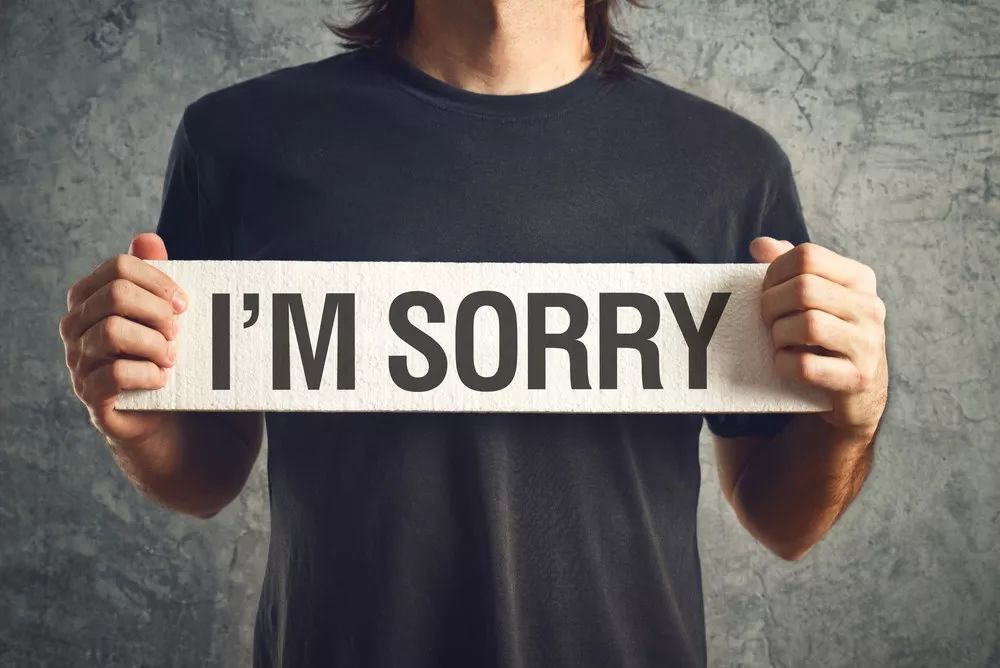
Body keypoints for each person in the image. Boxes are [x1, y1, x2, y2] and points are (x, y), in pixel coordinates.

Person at [58, 1, 889, 666]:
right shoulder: (240, 142)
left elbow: (782, 518)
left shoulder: (728, 167)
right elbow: (209, 472)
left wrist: (850, 418)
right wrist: (139, 425)